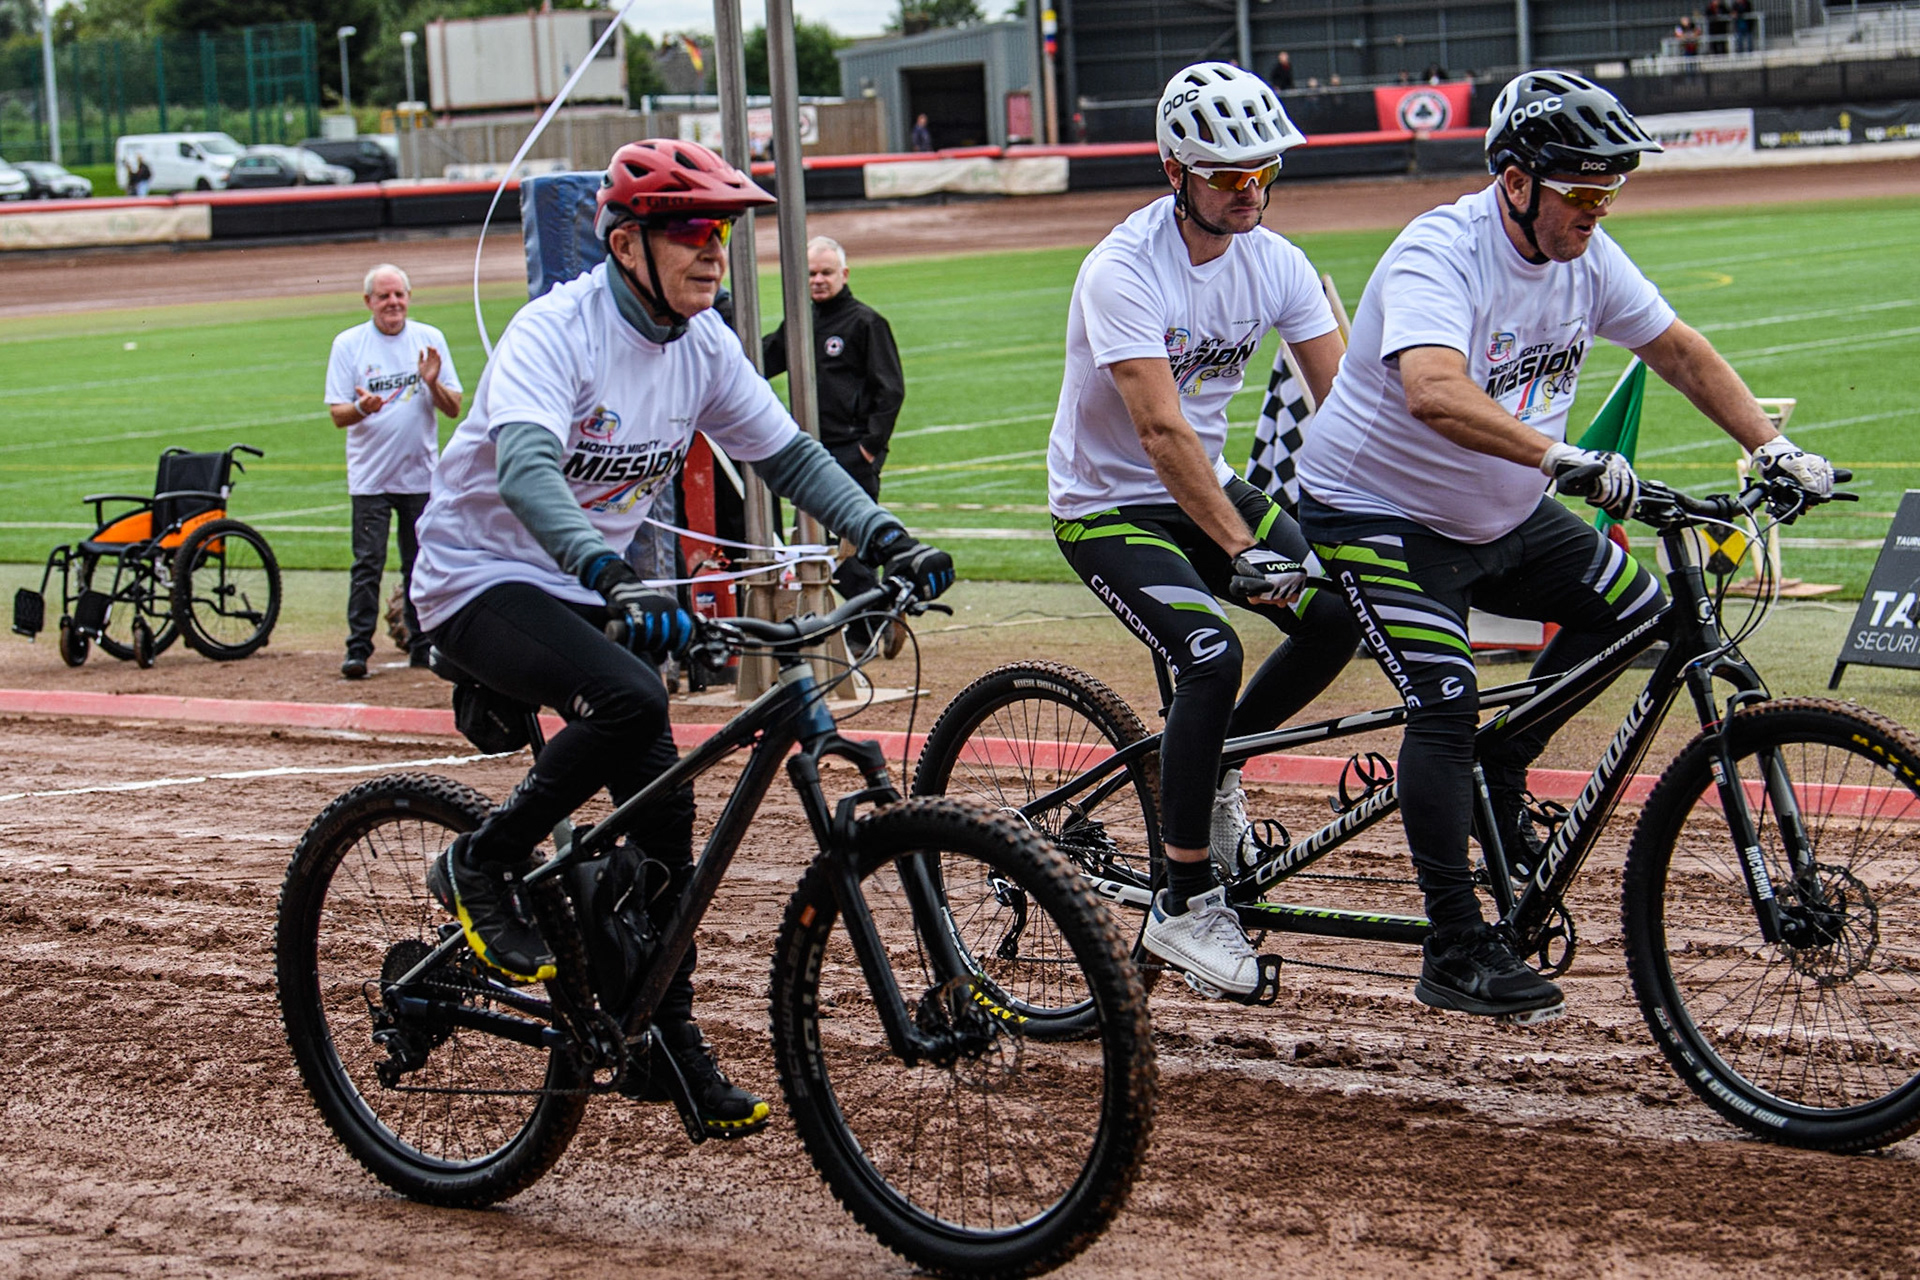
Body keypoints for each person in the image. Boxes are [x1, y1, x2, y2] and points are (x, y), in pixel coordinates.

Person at [407, 138, 953, 1137]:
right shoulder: (554, 333)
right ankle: (481, 863)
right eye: (694, 233)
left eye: (721, 234)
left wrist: (885, 535)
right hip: (479, 578)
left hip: (578, 587)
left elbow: (787, 453)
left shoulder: (702, 345)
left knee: (663, 822)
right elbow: (527, 474)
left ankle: (665, 1027)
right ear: (624, 243)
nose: (715, 253)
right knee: (634, 698)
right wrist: (613, 574)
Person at [1294, 70, 1835, 1021]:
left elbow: (1677, 349)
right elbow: (1432, 388)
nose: (1599, 209)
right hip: (1376, 512)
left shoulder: (1589, 256)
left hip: (1500, 509)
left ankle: (1509, 761)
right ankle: (1455, 947)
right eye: (1582, 192)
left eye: (1610, 190)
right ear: (1515, 181)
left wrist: (1773, 445)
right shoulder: (1441, 252)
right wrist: (1563, 457)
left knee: (1640, 615)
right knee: (1445, 699)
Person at [1047, 62, 1356, 999]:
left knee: (1345, 610)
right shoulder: (1122, 270)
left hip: (1208, 486)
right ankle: (1185, 901)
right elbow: (1160, 430)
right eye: (1229, 176)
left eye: (1263, 173)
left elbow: (1342, 404)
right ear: (1177, 172)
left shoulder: (1279, 261)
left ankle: (1216, 758)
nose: (1250, 191)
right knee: (1211, 654)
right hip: (1110, 504)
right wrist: (1241, 547)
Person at [761, 236, 906, 652]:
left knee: (846, 549)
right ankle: (879, 615)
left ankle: (871, 622)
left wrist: (868, 448)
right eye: (811, 274)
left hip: (850, 452)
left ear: (844, 274)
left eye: (826, 272)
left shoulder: (865, 323)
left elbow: (890, 390)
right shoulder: (800, 322)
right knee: (817, 547)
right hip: (809, 452)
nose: (818, 280)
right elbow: (761, 361)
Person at [325, 263, 462, 679]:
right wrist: (361, 408)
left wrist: (432, 382)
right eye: (384, 296)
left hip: (419, 475)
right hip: (370, 478)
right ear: (368, 302)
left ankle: (423, 645)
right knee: (367, 564)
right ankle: (358, 649)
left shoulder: (429, 339)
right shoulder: (349, 344)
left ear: (409, 297)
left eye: (399, 295)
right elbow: (337, 414)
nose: (393, 303)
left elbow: (453, 407)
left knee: (419, 564)